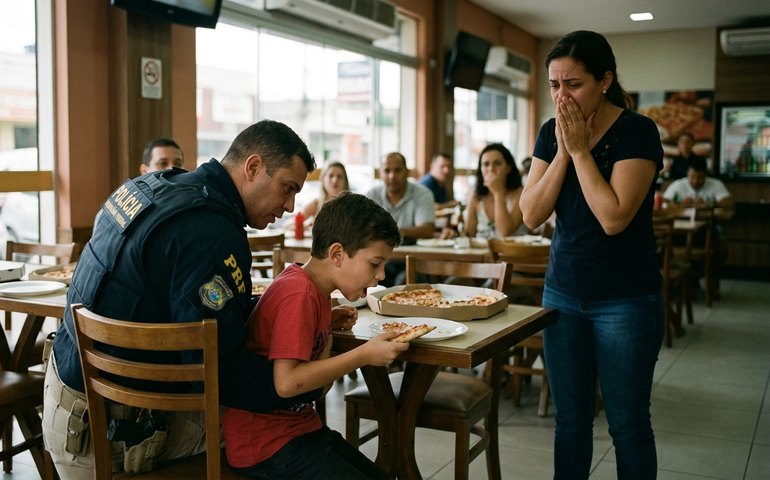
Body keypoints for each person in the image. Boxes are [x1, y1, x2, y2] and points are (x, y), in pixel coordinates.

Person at [43, 120, 319, 479]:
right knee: (264, 433)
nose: (290, 206)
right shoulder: (213, 233)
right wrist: (304, 383)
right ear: (252, 167)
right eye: (287, 188)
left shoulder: (148, 186)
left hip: (64, 400)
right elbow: (220, 368)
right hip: (109, 440)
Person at [519, 30, 664, 479]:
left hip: (626, 299)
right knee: (570, 423)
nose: (562, 97)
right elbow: (531, 213)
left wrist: (580, 151)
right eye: (554, 85)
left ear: (604, 81)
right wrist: (563, 151)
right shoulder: (551, 133)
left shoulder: (637, 132)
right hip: (563, 293)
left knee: (628, 424)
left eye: (573, 85)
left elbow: (613, 217)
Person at [223, 191, 407, 479]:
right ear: (336, 255)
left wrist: (325, 327)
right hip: (267, 446)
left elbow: (316, 385)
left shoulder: (315, 290)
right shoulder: (300, 294)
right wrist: (363, 355)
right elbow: (286, 383)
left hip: (298, 430)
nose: (381, 275)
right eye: (374, 263)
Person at [663, 156, 733, 297]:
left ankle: (708, 281)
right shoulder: (679, 185)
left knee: (720, 245)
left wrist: (709, 205)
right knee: (664, 244)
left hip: (706, 231)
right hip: (680, 232)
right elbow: (663, 204)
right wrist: (680, 205)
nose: (695, 181)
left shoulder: (715, 184)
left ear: (706, 175)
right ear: (688, 174)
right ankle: (675, 283)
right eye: (692, 176)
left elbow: (729, 205)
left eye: (699, 177)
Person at [366, 151, 435, 286]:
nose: (392, 176)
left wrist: (388, 231)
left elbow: (427, 230)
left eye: (398, 170)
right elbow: (364, 229)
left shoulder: (422, 194)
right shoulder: (371, 195)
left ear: (407, 172)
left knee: (404, 283)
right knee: (365, 278)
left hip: (413, 262)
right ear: (380, 173)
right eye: (387, 171)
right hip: (379, 260)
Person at [464, 143, 528, 239]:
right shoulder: (476, 195)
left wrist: (498, 192)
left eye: (497, 163)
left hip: (512, 252)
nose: (491, 169)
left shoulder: (520, 193)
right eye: (486, 164)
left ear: (508, 168)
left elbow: (504, 231)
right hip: (482, 252)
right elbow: (469, 235)